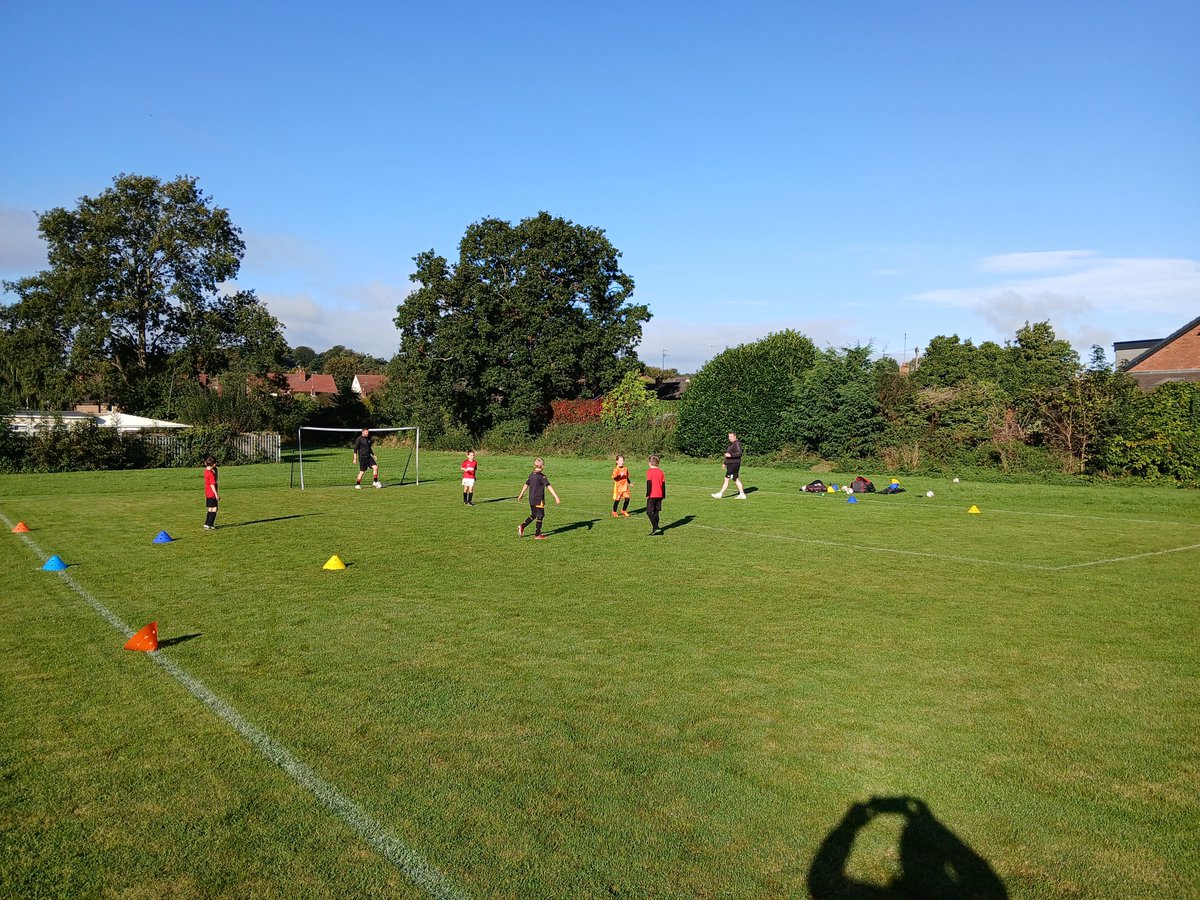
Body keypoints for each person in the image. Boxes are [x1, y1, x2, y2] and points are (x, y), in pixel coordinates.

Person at [516, 457, 560, 540]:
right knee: (540, 515)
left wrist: (521, 494)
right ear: (543, 466)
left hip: (531, 499)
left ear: (534, 465)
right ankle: (537, 535)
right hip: (538, 499)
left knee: (534, 514)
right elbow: (548, 486)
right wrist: (556, 497)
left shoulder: (531, 475)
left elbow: (526, 484)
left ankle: (522, 526)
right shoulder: (542, 477)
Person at [711, 431, 747, 499]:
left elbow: (739, 453)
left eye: (731, 436)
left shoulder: (737, 443)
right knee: (735, 479)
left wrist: (731, 455)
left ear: (735, 436)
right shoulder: (731, 444)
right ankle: (742, 494)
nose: (729, 438)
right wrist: (725, 463)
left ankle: (720, 494)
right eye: (729, 436)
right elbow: (728, 456)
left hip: (734, 464)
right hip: (731, 464)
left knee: (726, 479)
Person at [646, 454, 666, 536]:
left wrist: (648, 493)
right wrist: (663, 495)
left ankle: (656, 528)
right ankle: (655, 530)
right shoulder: (661, 472)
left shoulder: (650, 471)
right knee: (656, 512)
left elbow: (649, 483)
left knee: (649, 512)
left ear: (650, 463)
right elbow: (663, 484)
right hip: (660, 495)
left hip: (652, 495)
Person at [203, 455, 220, 530]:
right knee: (215, 508)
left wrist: (215, 470)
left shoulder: (206, 471)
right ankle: (210, 524)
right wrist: (216, 494)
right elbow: (212, 484)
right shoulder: (211, 474)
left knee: (210, 508)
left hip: (208, 492)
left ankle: (207, 523)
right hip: (212, 493)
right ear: (213, 464)